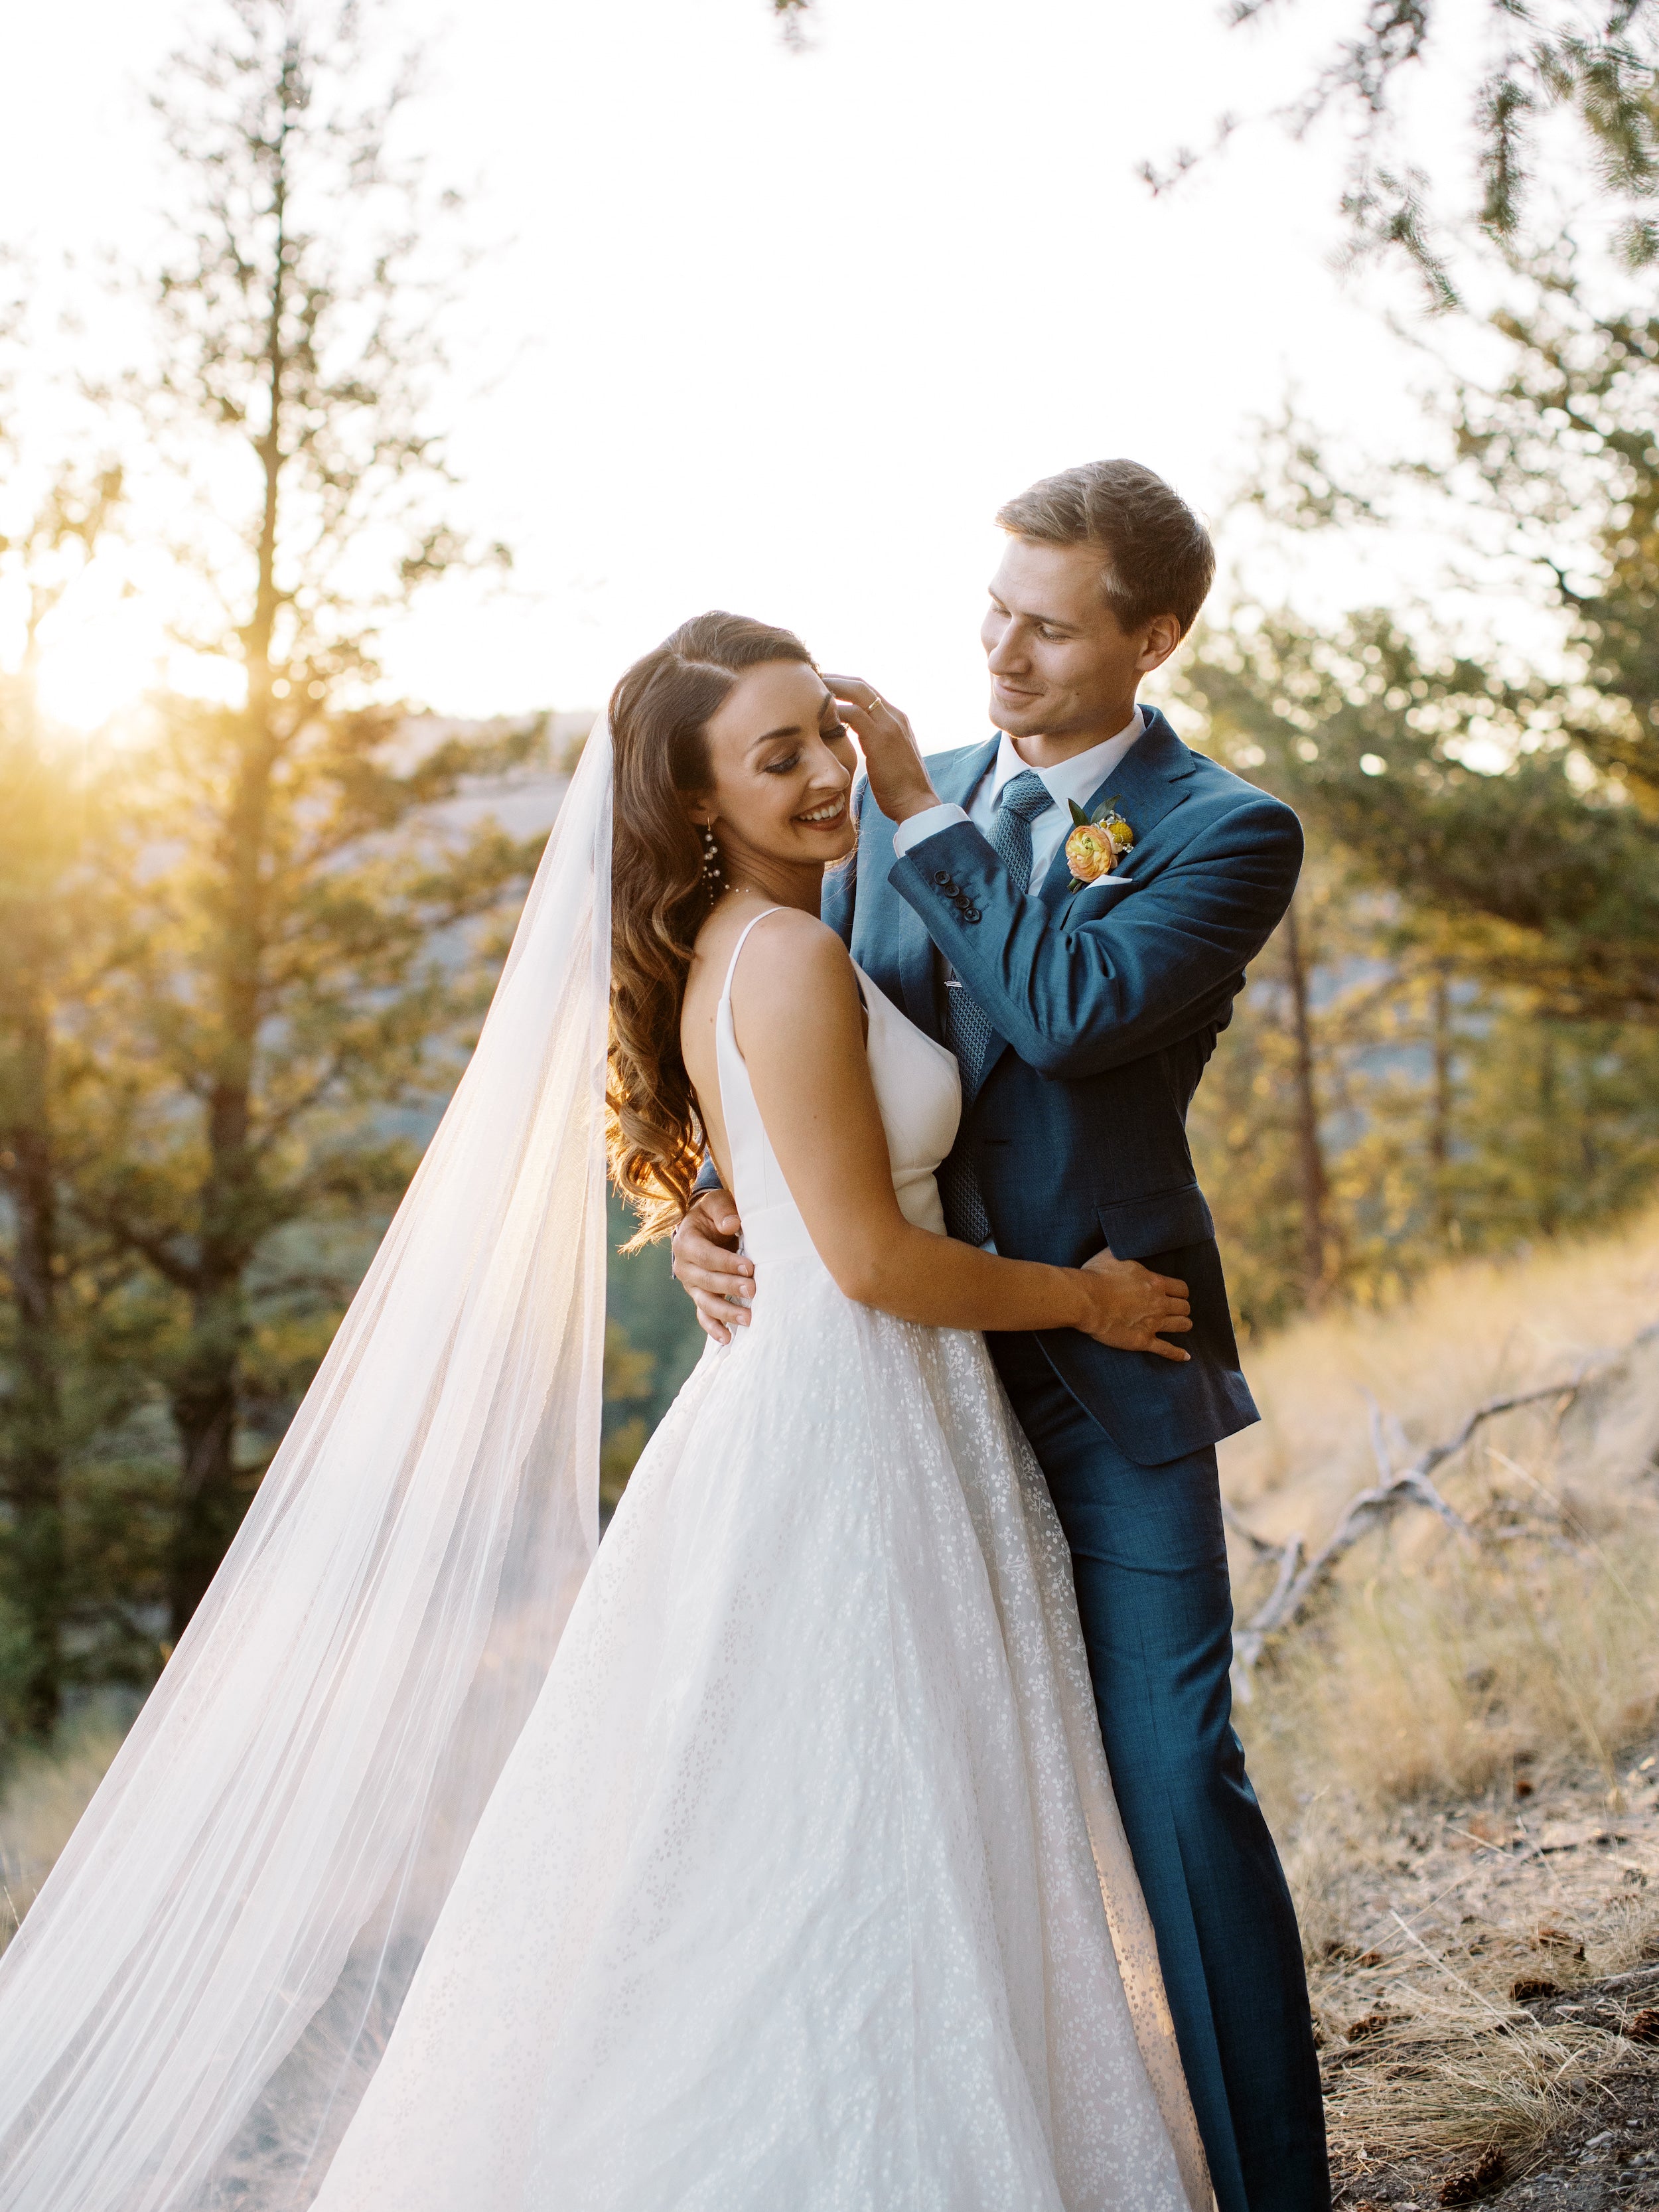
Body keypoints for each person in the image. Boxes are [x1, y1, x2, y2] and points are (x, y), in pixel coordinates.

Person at [0, 612, 1210, 2212]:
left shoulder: (775, 929)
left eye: (820, 733)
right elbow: (863, 1257)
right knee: (858, 1843)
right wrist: (1090, 1299)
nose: (817, 773)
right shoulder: (777, 953)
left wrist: (729, 1200)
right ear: (696, 801)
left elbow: (798, 1185)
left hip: (856, 1424)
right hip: (848, 1425)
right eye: (768, 756)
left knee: (841, 1836)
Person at [672, 462, 1331, 2212]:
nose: (1000, 651)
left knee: (1177, 1775)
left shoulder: (1218, 827)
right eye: (992, 609)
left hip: (1111, 1368)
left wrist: (925, 815)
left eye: (1048, 625)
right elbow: (762, 1017)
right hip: (899, 1385)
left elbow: (1069, 1006)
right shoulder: (886, 806)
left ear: (1151, 637)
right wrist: (690, 1196)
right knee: (907, 1791)